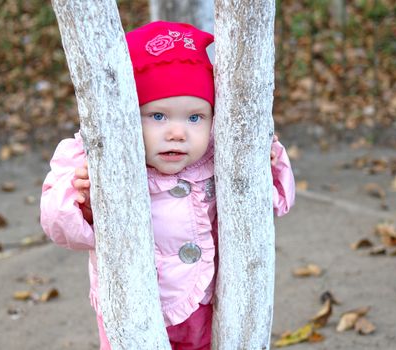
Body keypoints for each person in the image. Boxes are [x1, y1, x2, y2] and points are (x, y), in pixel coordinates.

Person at [40, 21, 295, 350]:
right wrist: (85, 200)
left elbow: (275, 202)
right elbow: (61, 228)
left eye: (194, 118)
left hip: (207, 303)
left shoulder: (222, 156)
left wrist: (267, 163)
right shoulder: (98, 158)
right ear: (129, 116)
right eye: (158, 116)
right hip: (135, 309)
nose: (178, 132)